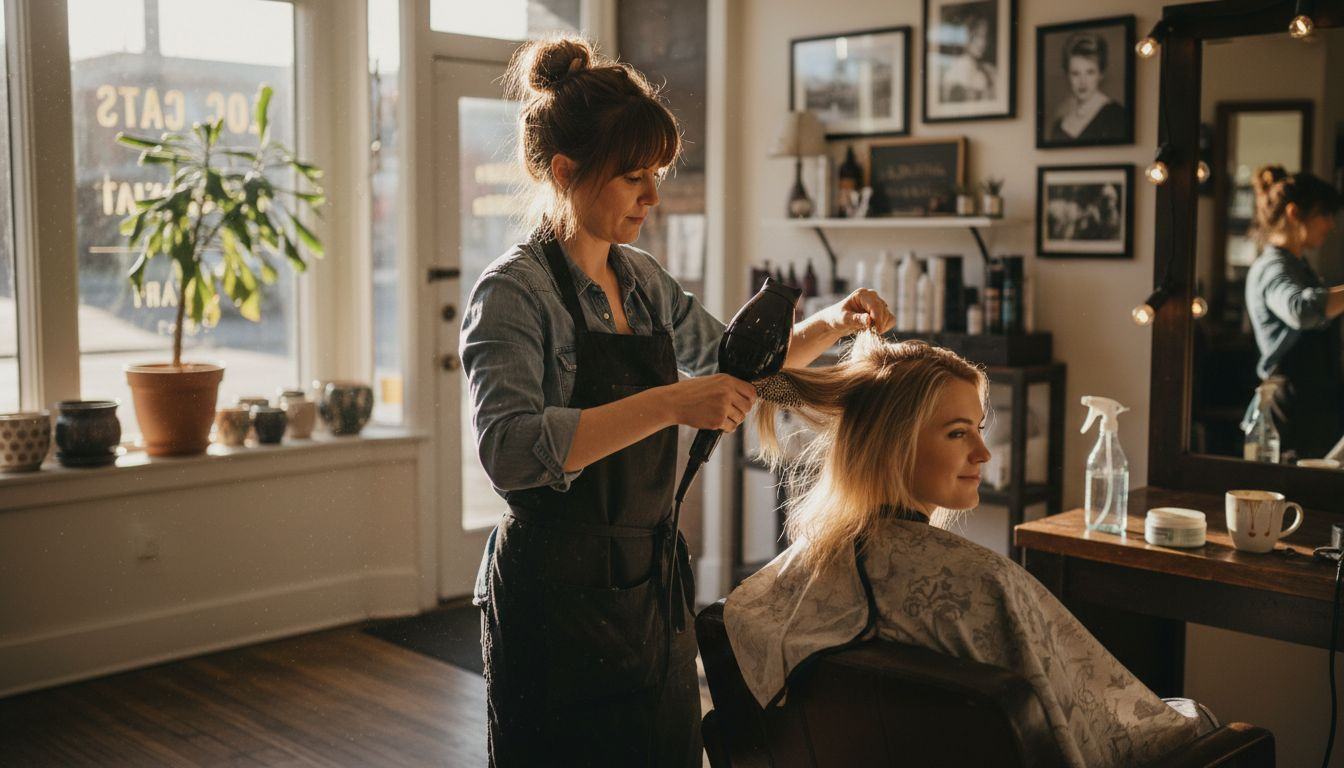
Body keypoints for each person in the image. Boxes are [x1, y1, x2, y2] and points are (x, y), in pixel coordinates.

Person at [461, 36, 894, 767]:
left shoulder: (643, 281)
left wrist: (833, 323)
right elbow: (510, 451)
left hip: (649, 591)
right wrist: (668, 404)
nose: (654, 198)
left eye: (656, 175)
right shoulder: (513, 294)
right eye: (633, 177)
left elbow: (733, 366)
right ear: (566, 172)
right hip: (553, 600)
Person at [724, 333, 1210, 767]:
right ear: (894, 444)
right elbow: (1101, 734)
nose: (983, 453)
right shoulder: (989, 584)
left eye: (979, 428)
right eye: (958, 432)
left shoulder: (791, 578)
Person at [1244, 165, 1344, 459]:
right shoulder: (1273, 268)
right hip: (1291, 414)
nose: (1331, 224)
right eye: (1324, 214)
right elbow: (1300, 310)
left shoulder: (1298, 267)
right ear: (1294, 213)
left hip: (1313, 406)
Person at [1049, 32, 1126, 144]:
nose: (1082, 82)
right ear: (1067, 75)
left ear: (1101, 74)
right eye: (1075, 73)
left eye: (1090, 72)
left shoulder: (1116, 115)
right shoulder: (1060, 122)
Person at [939, 10, 997, 103]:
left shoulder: (988, 69)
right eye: (978, 36)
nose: (983, 43)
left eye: (985, 37)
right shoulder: (956, 68)